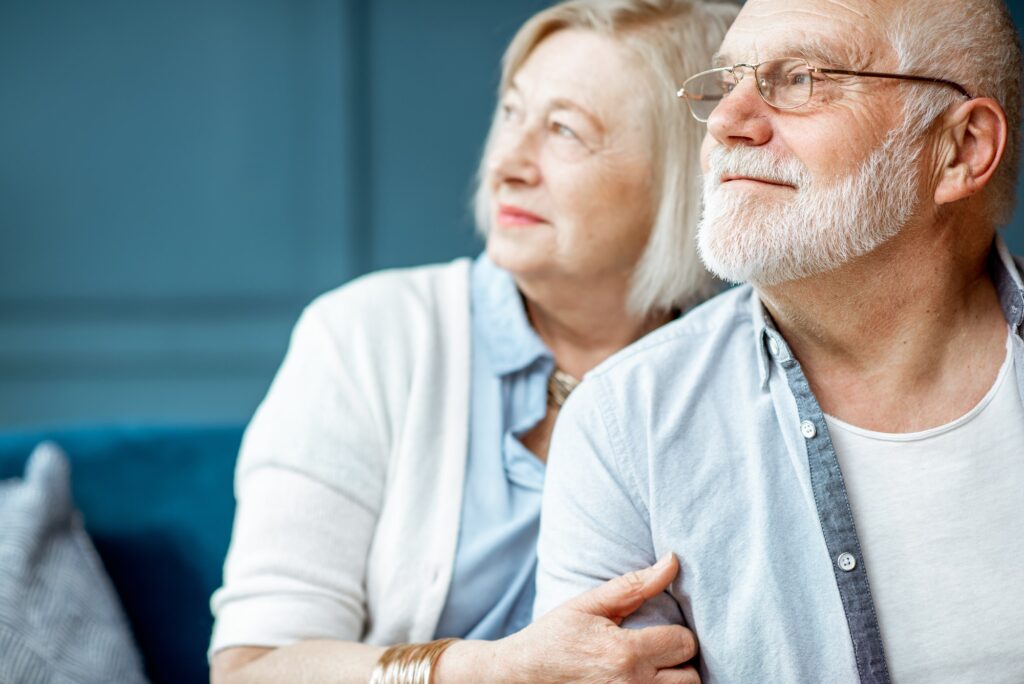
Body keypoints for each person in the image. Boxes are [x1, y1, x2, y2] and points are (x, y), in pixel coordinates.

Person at [209, 1, 738, 682]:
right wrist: (493, 672)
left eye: (565, 131)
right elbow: (252, 670)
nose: (507, 164)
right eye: (512, 113)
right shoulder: (368, 336)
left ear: (685, 176)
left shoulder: (743, 372)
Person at [535, 0, 1024, 682]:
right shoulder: (625, 423)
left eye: (801, 80)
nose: (727, 124)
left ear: (960, 149)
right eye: (725, 83)